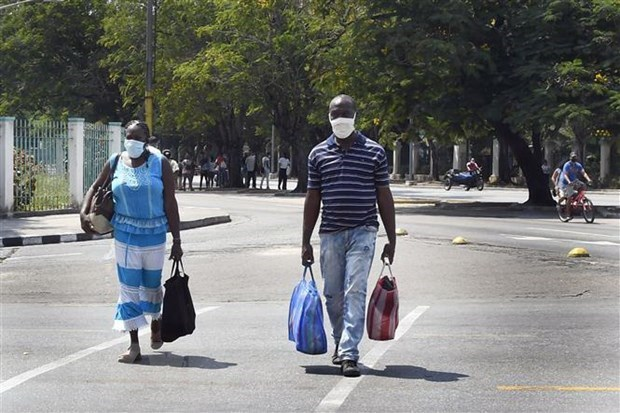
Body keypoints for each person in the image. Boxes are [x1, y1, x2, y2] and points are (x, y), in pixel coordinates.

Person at [301, 94, 396, 378]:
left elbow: (384, 196)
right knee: (333, 294)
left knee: (355, 289)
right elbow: (312, 198)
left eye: (344, 112)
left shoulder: (375, 152)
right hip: (330, 233)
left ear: (355, 116)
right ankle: (341, 341)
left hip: (364, 231)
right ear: (328, 117)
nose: (339, 118)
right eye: (334, 113)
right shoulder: (318, 154)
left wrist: (391, 237)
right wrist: (305, 241)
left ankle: (349, 353)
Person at [80, 120, 183, 363]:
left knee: (152, 284)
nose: (132, 141)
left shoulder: (160, 163)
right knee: (128, 288)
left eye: (137, 137)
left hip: (155, 234)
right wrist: (84, 212)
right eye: (129, 136)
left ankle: (155, 320)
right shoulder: (116, 161)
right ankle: (134, 344)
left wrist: (177, 240)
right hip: (124, 234)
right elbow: (95, 187)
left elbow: (170, 203)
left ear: (147, 140)